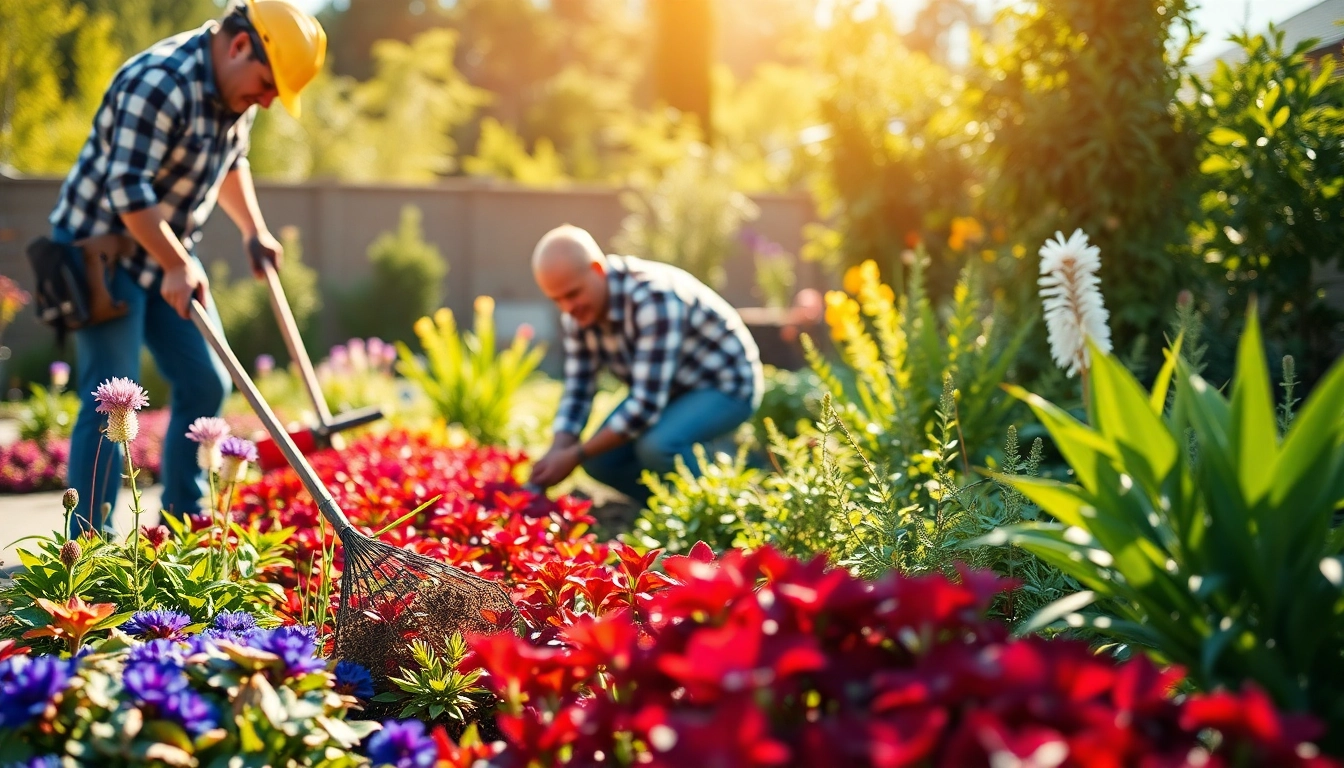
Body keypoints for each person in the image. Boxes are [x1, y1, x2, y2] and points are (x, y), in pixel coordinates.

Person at [48, 0, 326, 536]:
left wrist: (254, 229)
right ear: (241, 45)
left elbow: (231, 163)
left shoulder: (234, 92)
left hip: (165, 245)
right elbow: (127, 190)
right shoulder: (159, 81)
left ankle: (180, 525)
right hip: (100, 248)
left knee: (205, 381)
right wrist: (178, 263)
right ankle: (87, 545)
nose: (267, 102)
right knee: (112, 393)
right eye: (268, 85)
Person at [527, 225, 764, 506]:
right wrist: (558, 452)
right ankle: (669, 509)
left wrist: (575, 454)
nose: (568, 308)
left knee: (658, 446)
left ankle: (722, 510)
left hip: (726, 384)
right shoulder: (579, 316)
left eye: (573, 294)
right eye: (557, 300)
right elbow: (578, 391)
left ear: (597, 270)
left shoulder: (653, 298)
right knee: (599, 462)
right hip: (671, 389)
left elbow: (645, 405)